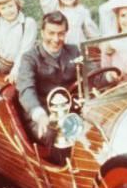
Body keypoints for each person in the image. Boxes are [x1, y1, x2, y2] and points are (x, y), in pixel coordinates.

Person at [16, 11, 81, 148]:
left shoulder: (73, 51)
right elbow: (26, 88)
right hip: (42, 114)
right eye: (51, 33)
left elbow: (90, 74)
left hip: (70, 110)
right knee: (55, 135)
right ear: (42, 32)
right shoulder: (30, 58)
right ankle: (63, 168)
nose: (56, 39)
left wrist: (108, 76)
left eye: (61, 33)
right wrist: (39, 114)